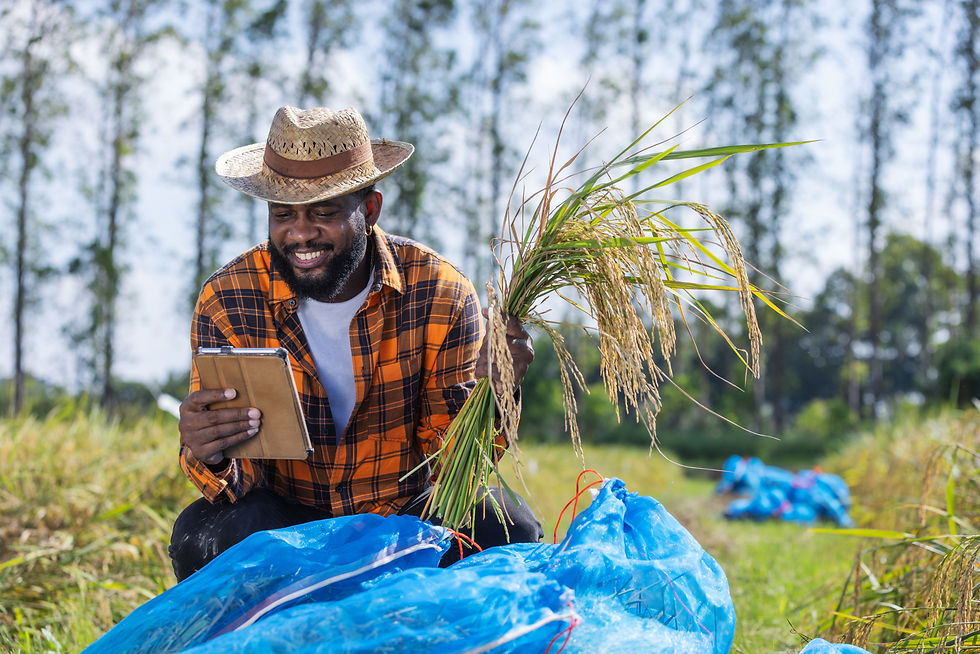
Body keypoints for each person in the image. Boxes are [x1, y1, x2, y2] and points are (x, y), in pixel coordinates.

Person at [168, 106, 542, 581]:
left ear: (369, 209)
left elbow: (454, 468)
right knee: (201, 535)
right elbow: (233, 485)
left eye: (323, 213)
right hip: (288, 522)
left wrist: (497, 390)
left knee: (508, 530)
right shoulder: (228, 299)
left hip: (407, 516)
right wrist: (209, 453)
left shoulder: (440, 292)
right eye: (283, 215)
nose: (300, 233)